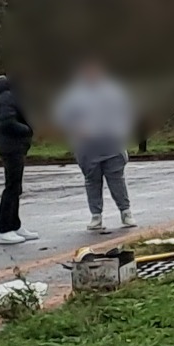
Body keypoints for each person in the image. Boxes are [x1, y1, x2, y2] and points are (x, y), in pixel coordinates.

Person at [52, 60, 136, 233]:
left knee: (116, 179)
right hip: (87, 147)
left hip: (111, 142)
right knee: (92, 180)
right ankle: (96, 216)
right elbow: (63, 116)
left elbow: (124, 113)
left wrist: (119, 131)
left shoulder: (113, 91)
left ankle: (125, 212)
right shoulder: (74, 94)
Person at [0, 75, 37, 245]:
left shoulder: (3, 99)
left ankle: (14, 225)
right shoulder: (8, 98)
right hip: (12, 148)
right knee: (11, 188)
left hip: (11, 147)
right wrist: (28, 129)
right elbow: (8, 122)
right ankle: (4, 229)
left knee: (15, 187)